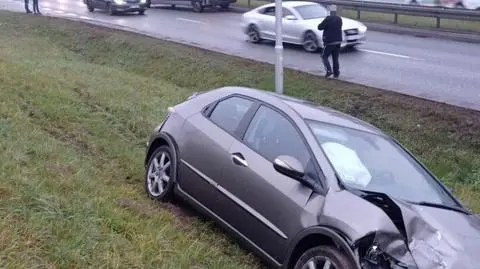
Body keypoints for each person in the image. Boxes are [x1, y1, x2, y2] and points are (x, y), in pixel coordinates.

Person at [317, 5, 343, 78]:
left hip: (330, 41)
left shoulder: (328, 18)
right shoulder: (339, 18)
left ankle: (329, 71)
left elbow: (319, 27)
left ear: (329, 12)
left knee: (324, 55)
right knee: (335, 58)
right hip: (338, 41)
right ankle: (336, 73)